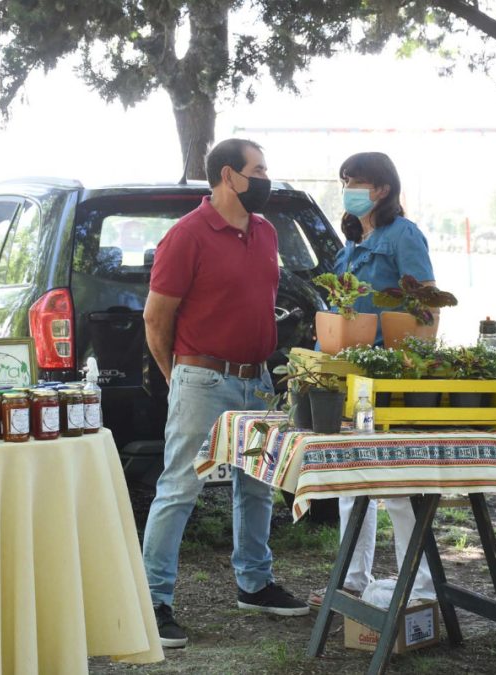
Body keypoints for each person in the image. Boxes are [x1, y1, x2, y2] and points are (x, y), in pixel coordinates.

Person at [142, 138, 309, 650]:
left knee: (258, 484)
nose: (266, 178)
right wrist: (180, 376)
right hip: (203, 380)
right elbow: (156, 317)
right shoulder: (187, 235)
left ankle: (254, 583)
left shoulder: (265, 232)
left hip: (256, 381)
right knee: (179, 489)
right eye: (258, 169)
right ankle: (152, 601)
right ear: (228, 176)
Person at [308, 151, 437, 606]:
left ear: (381, 188)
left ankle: (419, 586)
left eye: (356, 181)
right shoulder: (351, 244)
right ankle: (353, 579)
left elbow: (425, 307)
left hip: (389, 375)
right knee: (353, 480)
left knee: (397, 484)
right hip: (354, 378)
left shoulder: (405, 235)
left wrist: (408, 364)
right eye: (344, 180)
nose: (348, 189)